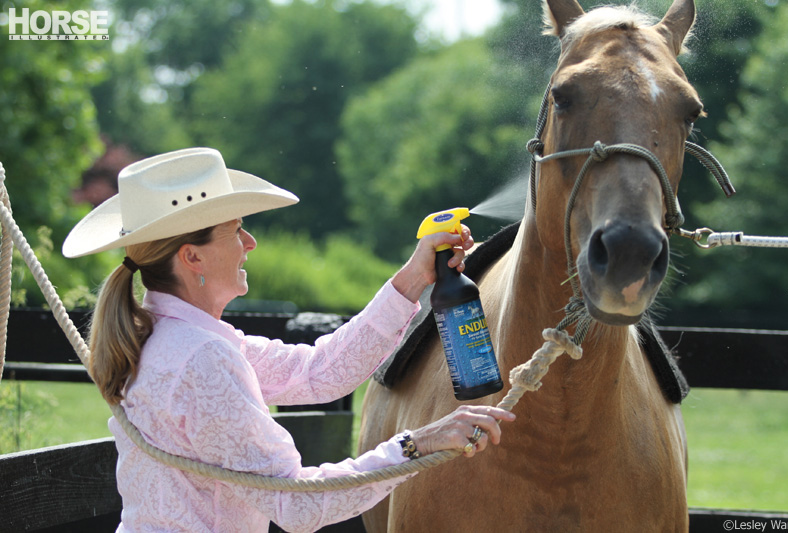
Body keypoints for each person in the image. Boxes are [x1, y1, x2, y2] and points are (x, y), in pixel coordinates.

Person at [62, 147, 514, 532]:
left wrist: (415, 277)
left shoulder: (169, 337)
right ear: (192, 256)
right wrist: (419, 444)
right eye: (236, 229)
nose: (251, 242)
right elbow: (299, 504)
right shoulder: (201, 359)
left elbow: (317, 372)